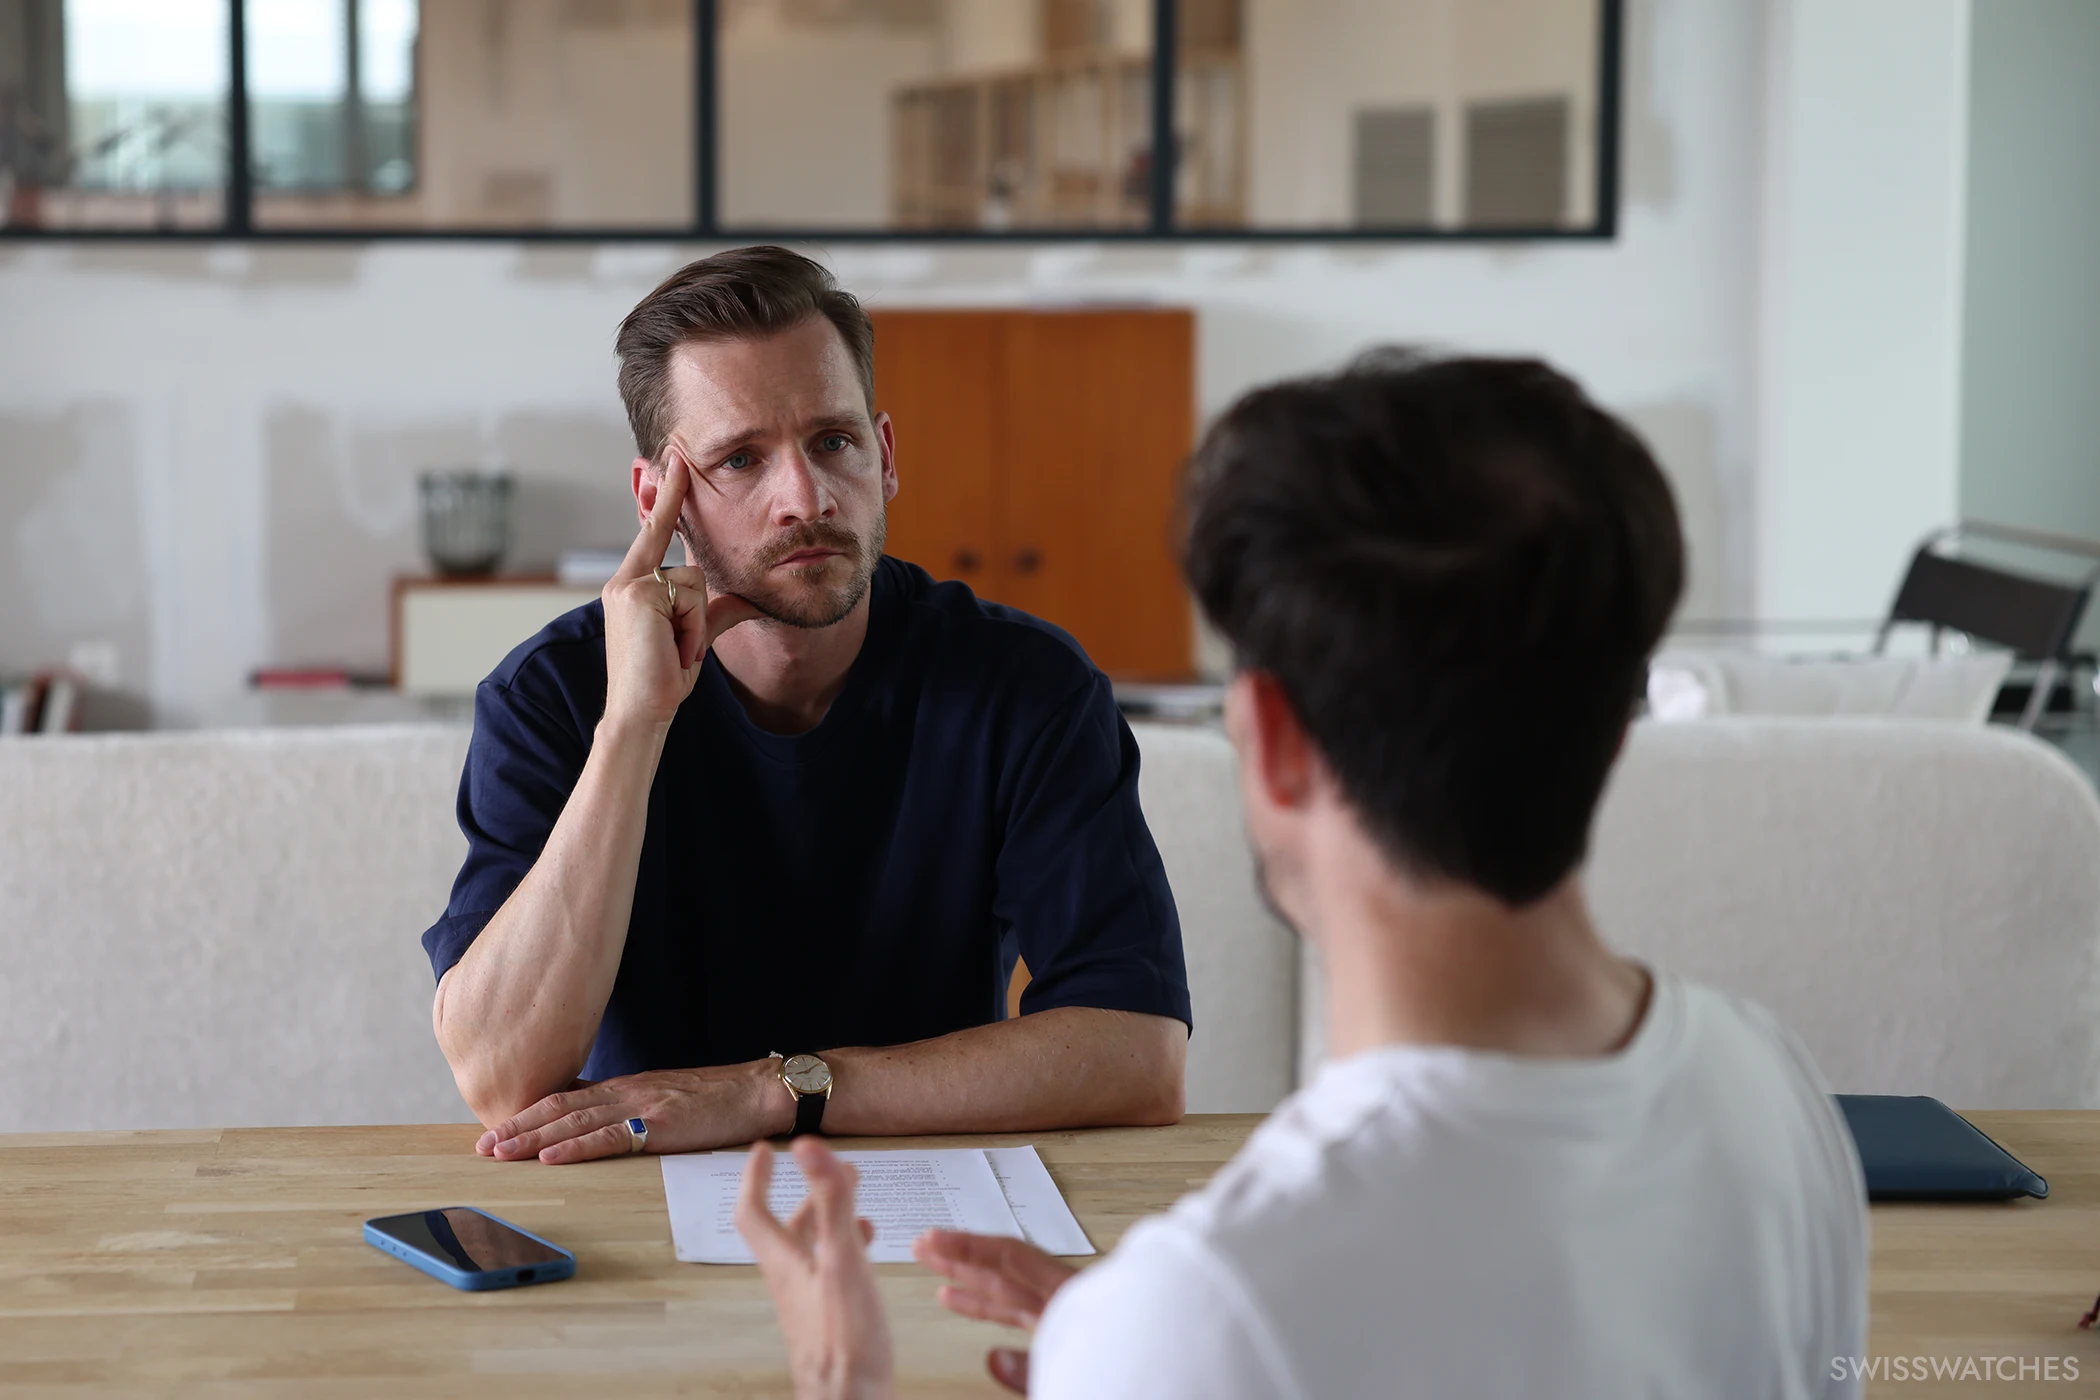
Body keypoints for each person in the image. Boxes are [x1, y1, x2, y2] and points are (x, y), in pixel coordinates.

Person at [734, 350, 1869, 1398]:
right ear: (1615, 734)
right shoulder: (1774, 1092)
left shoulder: (1214, 1308)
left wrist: (852, 1379)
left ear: (1269, 741)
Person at [423, 247, 1192, 1164]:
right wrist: (633, 725)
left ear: (886, 455)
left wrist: (769, 1092)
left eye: (833, 441)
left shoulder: (1025, 687)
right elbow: (501, 1075)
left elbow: (1141, 1054)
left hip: (931, 1203)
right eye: (740, 459)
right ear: (656, 503)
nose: (806, 498)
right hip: (636, 1199)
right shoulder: (550, 695)